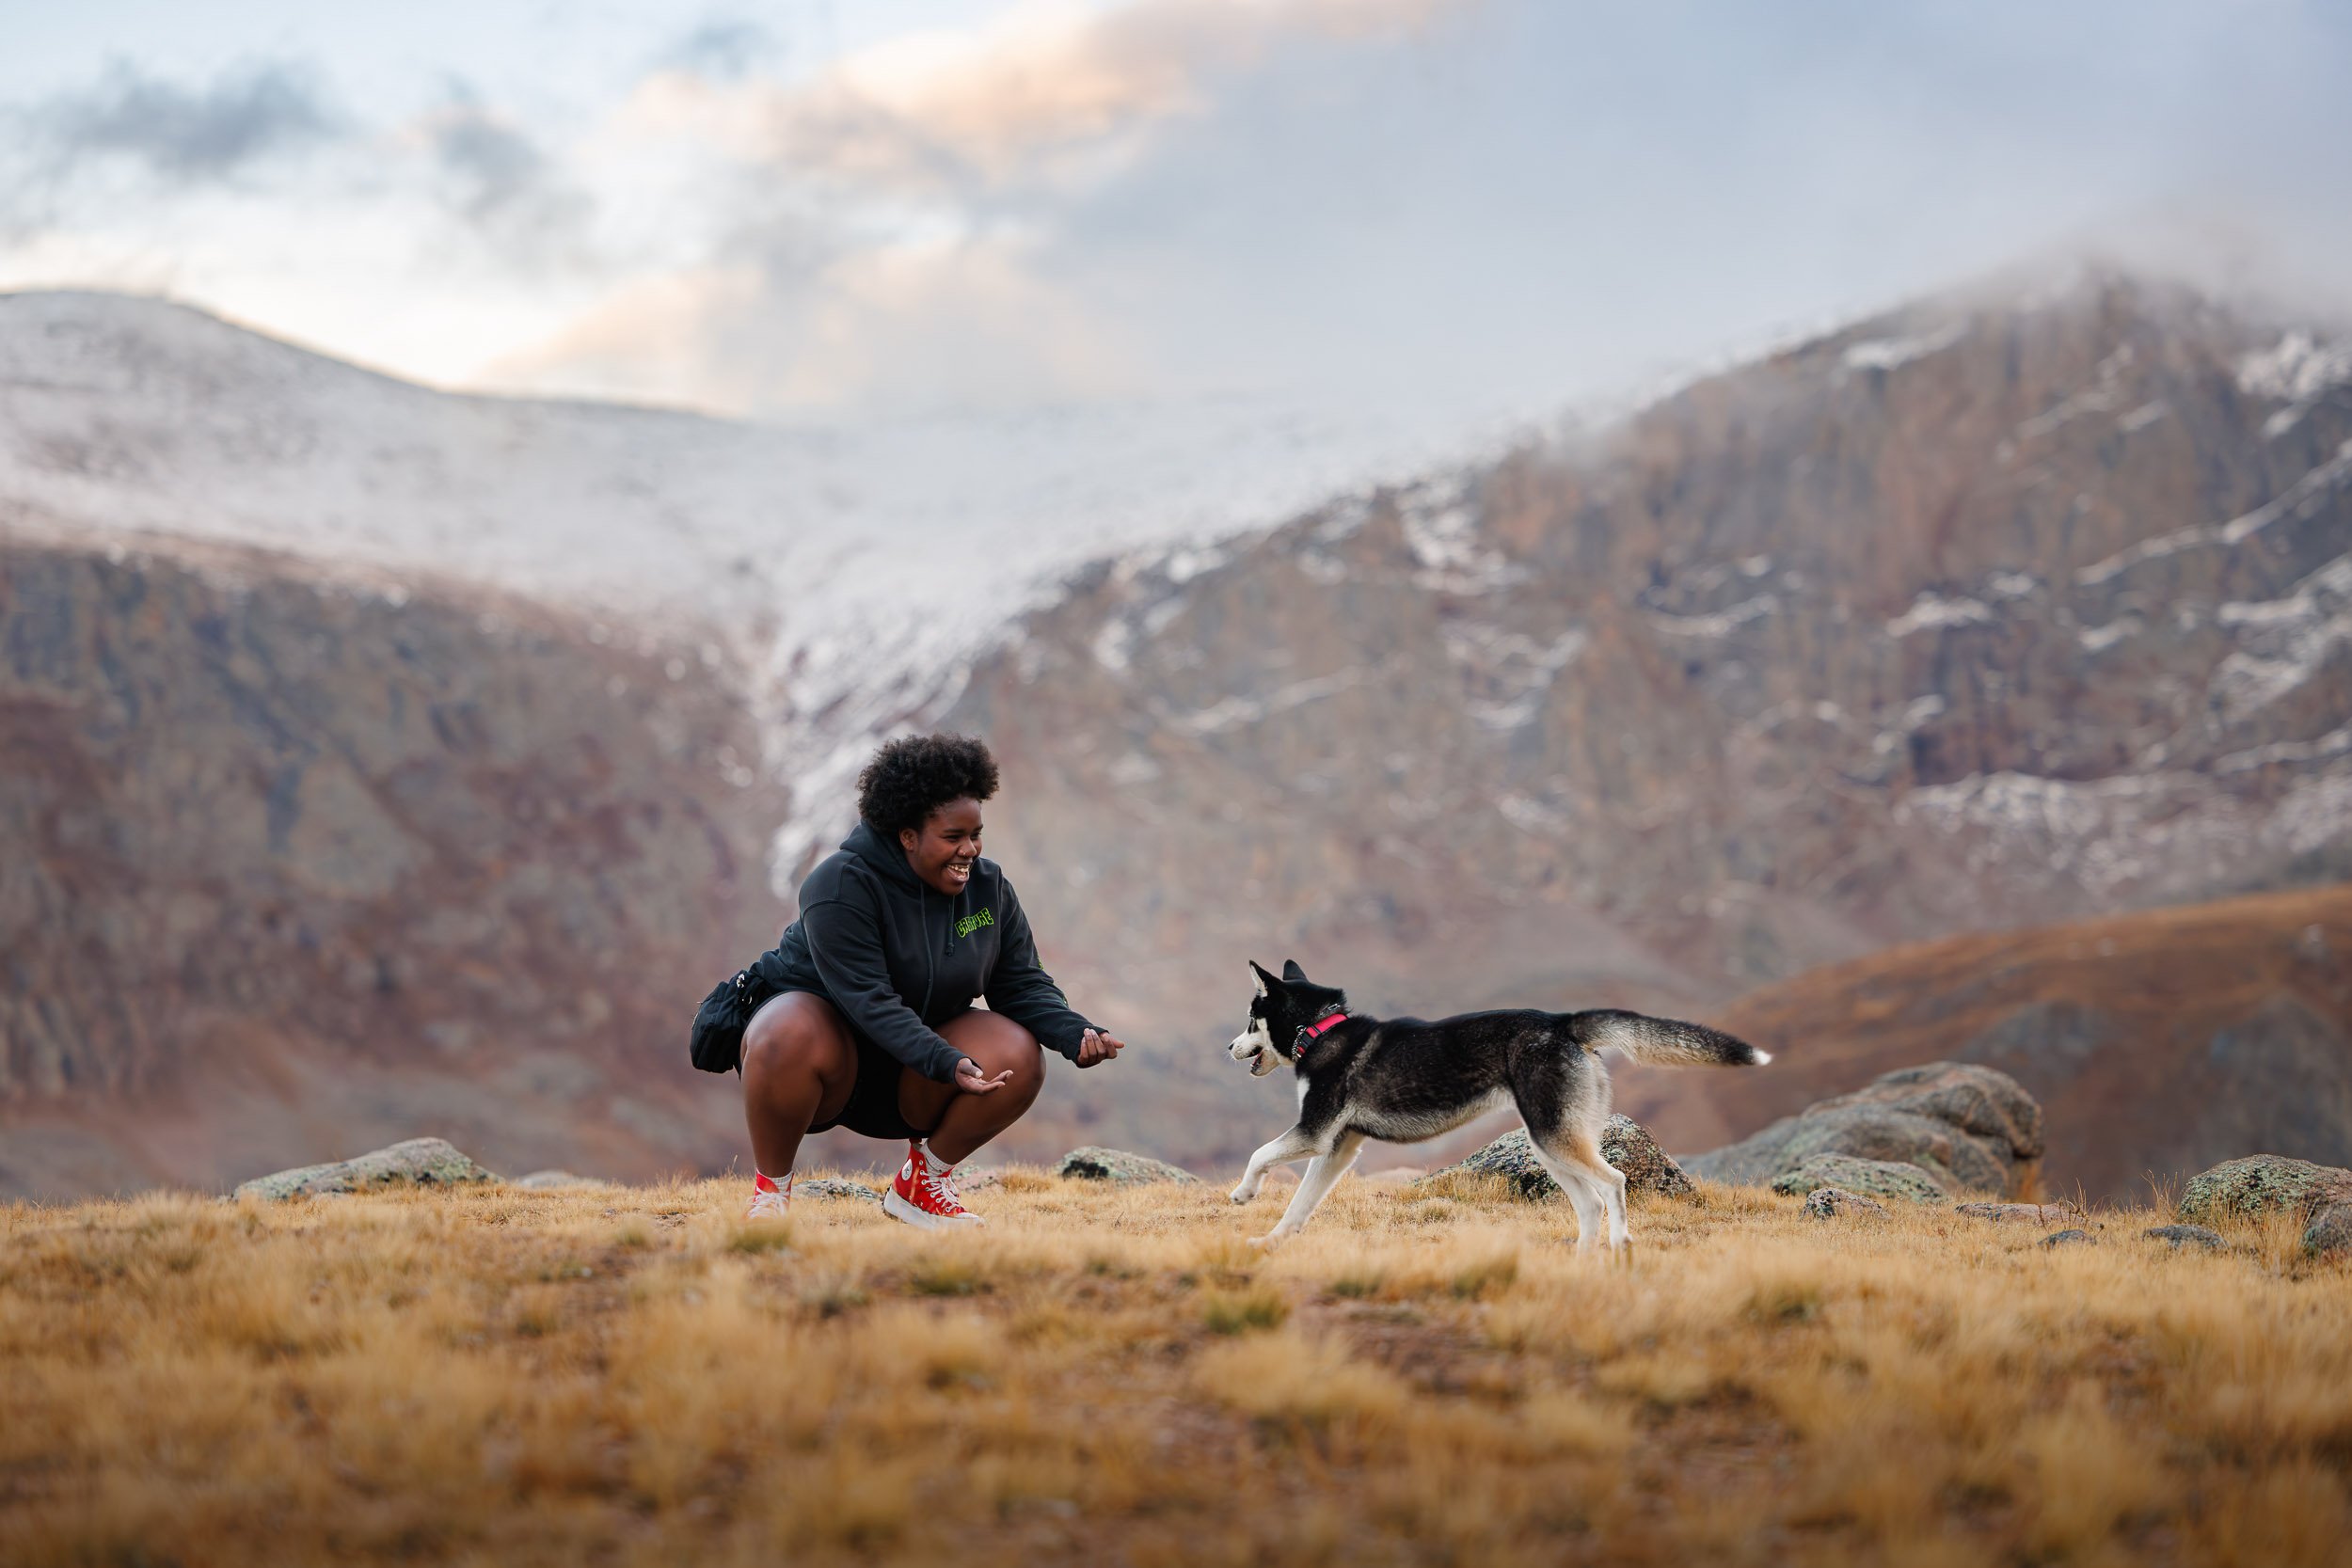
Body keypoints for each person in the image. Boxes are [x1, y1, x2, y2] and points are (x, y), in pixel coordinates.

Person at [738, 733, 1124, 1227]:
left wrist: (1076, 1033)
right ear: (907, 836)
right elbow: (868, 1000)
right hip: (829, 1073)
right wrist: (947, 1061)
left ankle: (922, 1184)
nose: (969, 850)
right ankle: (771, 1196)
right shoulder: (839, 885)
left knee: (1018, 1050)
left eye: (976, 834)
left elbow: (1021, 983)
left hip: (917, 1080)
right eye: (953, 837)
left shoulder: (988, 889)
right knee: (783, 1028)